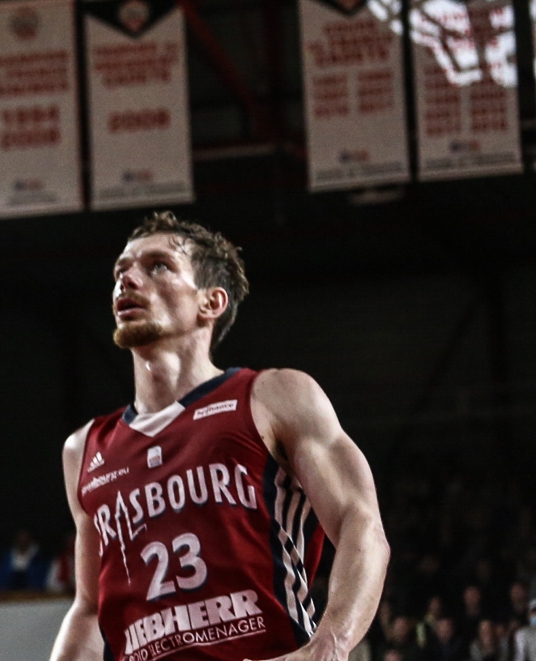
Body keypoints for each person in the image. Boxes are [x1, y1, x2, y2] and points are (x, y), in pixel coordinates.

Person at [48, 212, 389, 661]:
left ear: (210, 302)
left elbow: (360, 524)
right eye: (121, 270)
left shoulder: (273, 396)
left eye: (158, 266)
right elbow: (90, 610)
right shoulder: (84, 449)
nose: (127, 279)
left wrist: (330, 645)